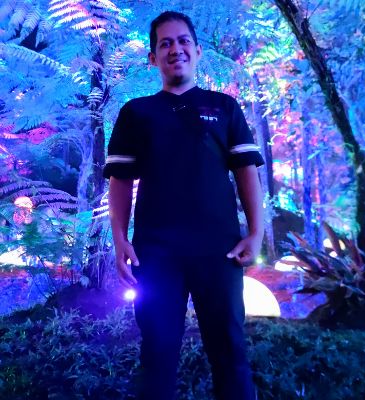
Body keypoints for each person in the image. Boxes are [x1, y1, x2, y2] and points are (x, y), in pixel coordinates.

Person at [103, 11, 264, 400]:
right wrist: (120, 239)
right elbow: (120, 180)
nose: (175, 49)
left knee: (230, 352)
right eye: (165, 43)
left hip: (220, 250)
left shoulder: (224, 108)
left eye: (182, 41)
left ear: (197, 50)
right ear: (153, 58)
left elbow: (246, 171)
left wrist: (256, 233)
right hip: (156, 253)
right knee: (157, 355)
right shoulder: (136, 113)